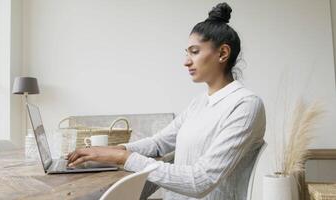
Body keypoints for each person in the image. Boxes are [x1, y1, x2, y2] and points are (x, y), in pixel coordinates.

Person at [67, 2, 266, 200]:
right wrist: (115, 150)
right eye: (186, 53)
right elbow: (159, 144)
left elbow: (201, 181)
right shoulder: (199, 103)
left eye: (194, 52)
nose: (186, 61)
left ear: (223, 53)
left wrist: (123, 158)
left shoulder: (246, 105)